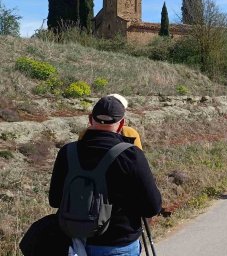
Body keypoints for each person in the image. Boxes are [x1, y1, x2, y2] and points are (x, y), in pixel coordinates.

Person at [49, 95, 162, 256]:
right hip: (118, 244)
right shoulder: (130, 155)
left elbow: (54, 200)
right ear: (122, 123)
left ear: (90, 119)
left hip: (75, 244)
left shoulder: (67, 152)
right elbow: (152, 207)